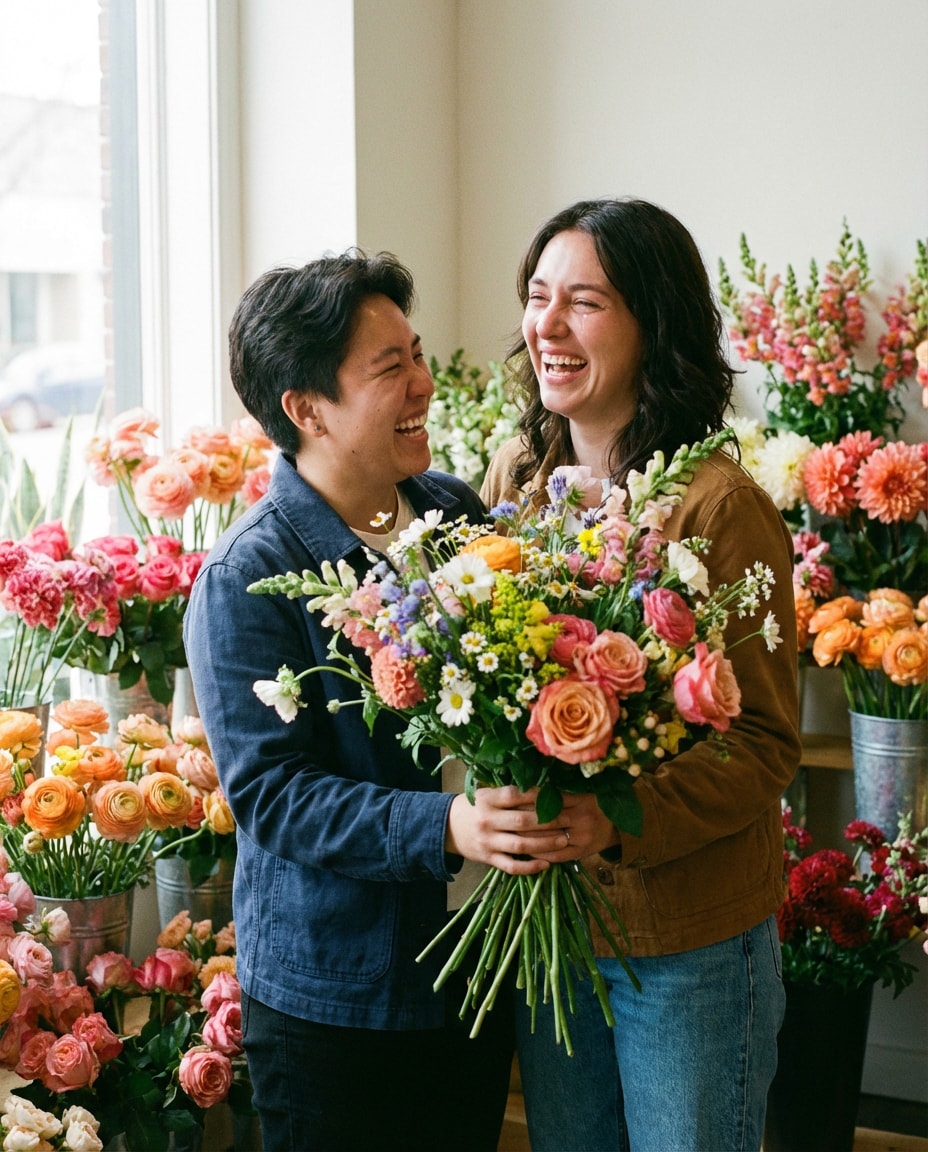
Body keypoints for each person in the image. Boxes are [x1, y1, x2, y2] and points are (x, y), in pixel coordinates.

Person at [183, 250, 570, 1152]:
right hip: (340, 1001)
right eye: (389, 369)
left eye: (419, 354)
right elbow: (275, 797)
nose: (423, 385)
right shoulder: (250, 573)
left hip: (472, 970)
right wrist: (446, 827)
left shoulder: (451, 512)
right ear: (306, 408)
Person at [481, 198, 801, 1152]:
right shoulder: (515, 481)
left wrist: (616, 823)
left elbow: (766, 742)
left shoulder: (721, 507)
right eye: (539, 296)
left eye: (585, 301)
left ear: (653, 325)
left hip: (688, 942)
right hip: (553, 927)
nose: (548, 324)